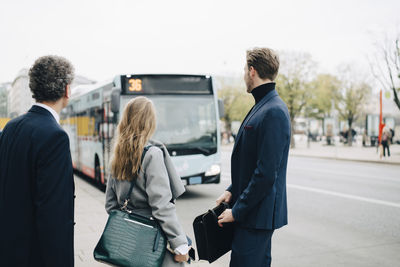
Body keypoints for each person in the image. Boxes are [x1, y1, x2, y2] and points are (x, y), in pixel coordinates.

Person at [216, 48, 291, 267]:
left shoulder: (273, 110)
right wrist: (231, 190)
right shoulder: (263, 105)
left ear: (252, 71)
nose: (243, 76)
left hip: (256, 217)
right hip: (253, 214)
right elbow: (251, 164)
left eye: (244, 70)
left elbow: (266, 173)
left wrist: (237, 212)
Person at [0, 55, 75, 266]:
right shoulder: (55, 136)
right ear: (67, 90)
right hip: (35, 257)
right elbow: (54, 216)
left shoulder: (10, 128)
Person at [105, 97, 190, 266]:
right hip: (152, 239)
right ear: (149, 122)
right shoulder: (152, 154)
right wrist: (179, 243)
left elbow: (111, 205)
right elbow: (161, 205)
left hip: (127, 244)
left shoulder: (117, 155)